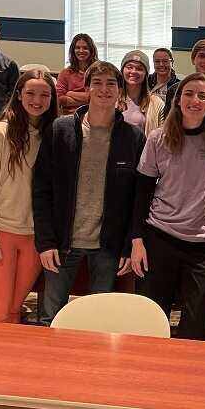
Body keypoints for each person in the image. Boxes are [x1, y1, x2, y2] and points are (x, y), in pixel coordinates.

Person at [130, 73, 205, 340]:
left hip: (204, 245)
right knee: (152, 322)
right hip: (160, 238)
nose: (195, 100)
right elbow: (142, 192)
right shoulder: (158, 137)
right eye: (189, 93)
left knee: (196, 326)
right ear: (178, 99)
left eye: (203, 95)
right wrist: (137, 241)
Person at [32, 61, 144, 321]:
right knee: (51, 317)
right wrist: (45, 241)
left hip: (108, 246)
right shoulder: (60, 130)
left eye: (111, 83)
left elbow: (137, 198)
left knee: (98, 319)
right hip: (62, 243)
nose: (104, 89)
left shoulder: (133, 137)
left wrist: (127, 246)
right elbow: (41, 189)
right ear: (87, 88)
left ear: (120, 90)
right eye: (97, 83)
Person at [0, 68, 57, 322]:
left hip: (34, 237)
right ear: (19, 95)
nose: (37, 100)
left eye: (44, 95)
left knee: (14, 309)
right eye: (30, 93)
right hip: (1, 233)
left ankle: (9, 351)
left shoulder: (53, 135)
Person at [119, 50, 165, 136]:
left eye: (139, 69)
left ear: (145, 74)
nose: (133, 71)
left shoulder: (157, 103)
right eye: (129, 67)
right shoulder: (112, 98)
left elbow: (161, 135)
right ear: (122, 71)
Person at [57, 33, 97, 115]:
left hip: (93, 115)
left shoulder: (97, 72)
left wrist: (70, 93)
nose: (81, 51)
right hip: (69, 116)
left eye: (85, 48)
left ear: (91, 50)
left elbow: (97, 97)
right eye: (77, 48)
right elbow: (59, 99)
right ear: (73, 50)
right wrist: (88, 100)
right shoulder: (65, 73)